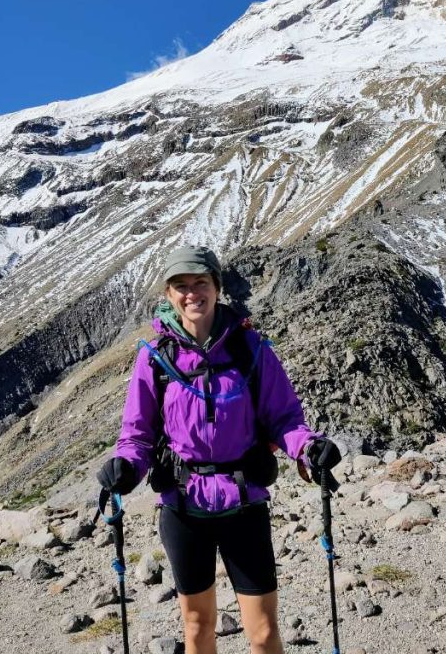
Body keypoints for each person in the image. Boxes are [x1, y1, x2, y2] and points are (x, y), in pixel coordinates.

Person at [97, 245, 342, 654]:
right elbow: (137, 434)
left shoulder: (251, 348)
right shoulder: (155, 358)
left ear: (217, 288)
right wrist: (126, 467)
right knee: (197, 627)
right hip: (183, 507)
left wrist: (308, 447)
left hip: (243, 504)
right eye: (181, 285)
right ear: (169, 294)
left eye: (201, 283)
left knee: (263, 632)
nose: (192, 293)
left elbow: (285, 419)